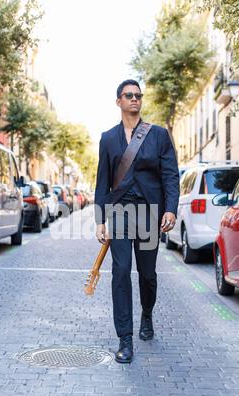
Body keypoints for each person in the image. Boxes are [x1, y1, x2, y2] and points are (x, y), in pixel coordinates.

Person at [94, 79, 180, 364]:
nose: (134, 99)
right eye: (128, 95)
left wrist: (170, 209)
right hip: (119, 211)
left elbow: (170, 175)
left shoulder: (158, 135)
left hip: (148, 213)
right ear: (118, 101)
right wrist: (99, 219)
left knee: (147, 275)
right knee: (121, 271)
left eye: (138, 95)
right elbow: (102, 181)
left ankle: (147, 313)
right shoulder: (108, 138)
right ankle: (125, 339)